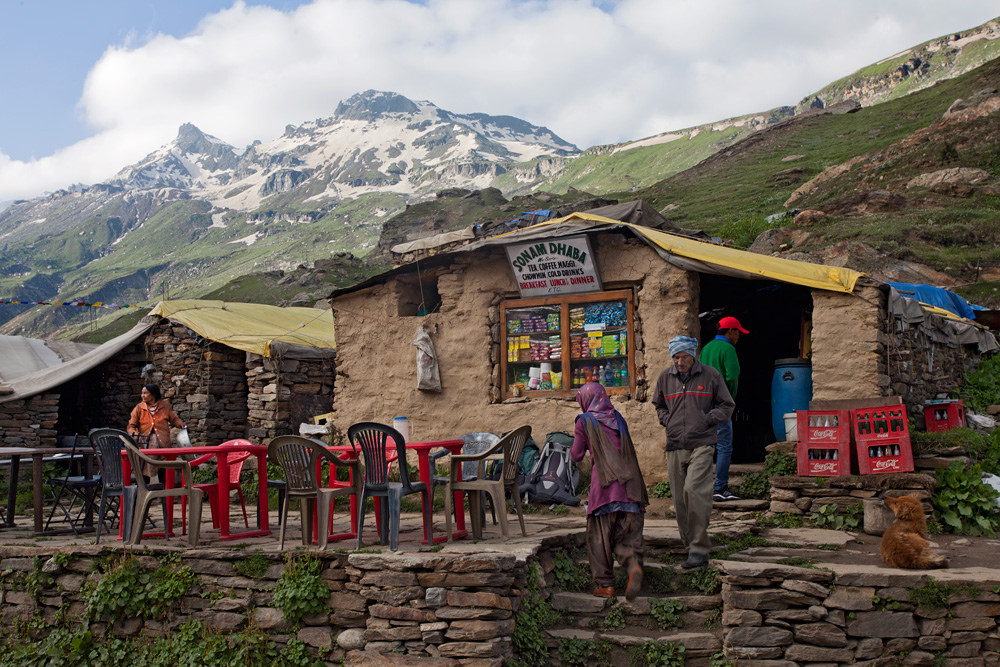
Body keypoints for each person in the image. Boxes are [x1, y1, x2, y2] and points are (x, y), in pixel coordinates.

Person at [651, 335, 734, 569]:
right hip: (675, 443)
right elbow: (659, 405)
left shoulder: (710, 376)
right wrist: (668, 421)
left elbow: (727, 404)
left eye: (683, 357)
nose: (679, 362)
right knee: (680, 500)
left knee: (694, 491)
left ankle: (699, 549)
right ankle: (690, 547)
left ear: (693, 354)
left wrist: (709, 419)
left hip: (703, 442)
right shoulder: (665, 378)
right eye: (675, 357)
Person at [570, 382, 649, 600]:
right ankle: (633, 566)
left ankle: (605, 585)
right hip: (631, 490)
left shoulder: (584, 421)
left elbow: (576, 455)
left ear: (585, 401)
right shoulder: (619, 418)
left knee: (599, 538)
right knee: (627, 537)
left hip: (605, 489)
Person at [699, 316, 749, 502]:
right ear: (730, 332)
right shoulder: (728, 348)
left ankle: (702, 487)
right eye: (738, 332)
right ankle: (719, 487)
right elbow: (732, 376)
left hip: (703, 405)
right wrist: (730, 400)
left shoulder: (706, 348)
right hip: (720, 406)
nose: (739, 337)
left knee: (705, 447)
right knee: (724, 447)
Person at [127, 383, 186, 479]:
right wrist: (136, 436)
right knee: (145, 469)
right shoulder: (139, 408)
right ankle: (145, 492)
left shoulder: (164, 406)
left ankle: (164, 492)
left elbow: (174, 419)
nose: (142, 395)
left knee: (163, 469)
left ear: (153, 394)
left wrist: (180, 424)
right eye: (142, 393)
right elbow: (131, 426)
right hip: (145, 445)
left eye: (145, 393)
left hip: (163, 444)